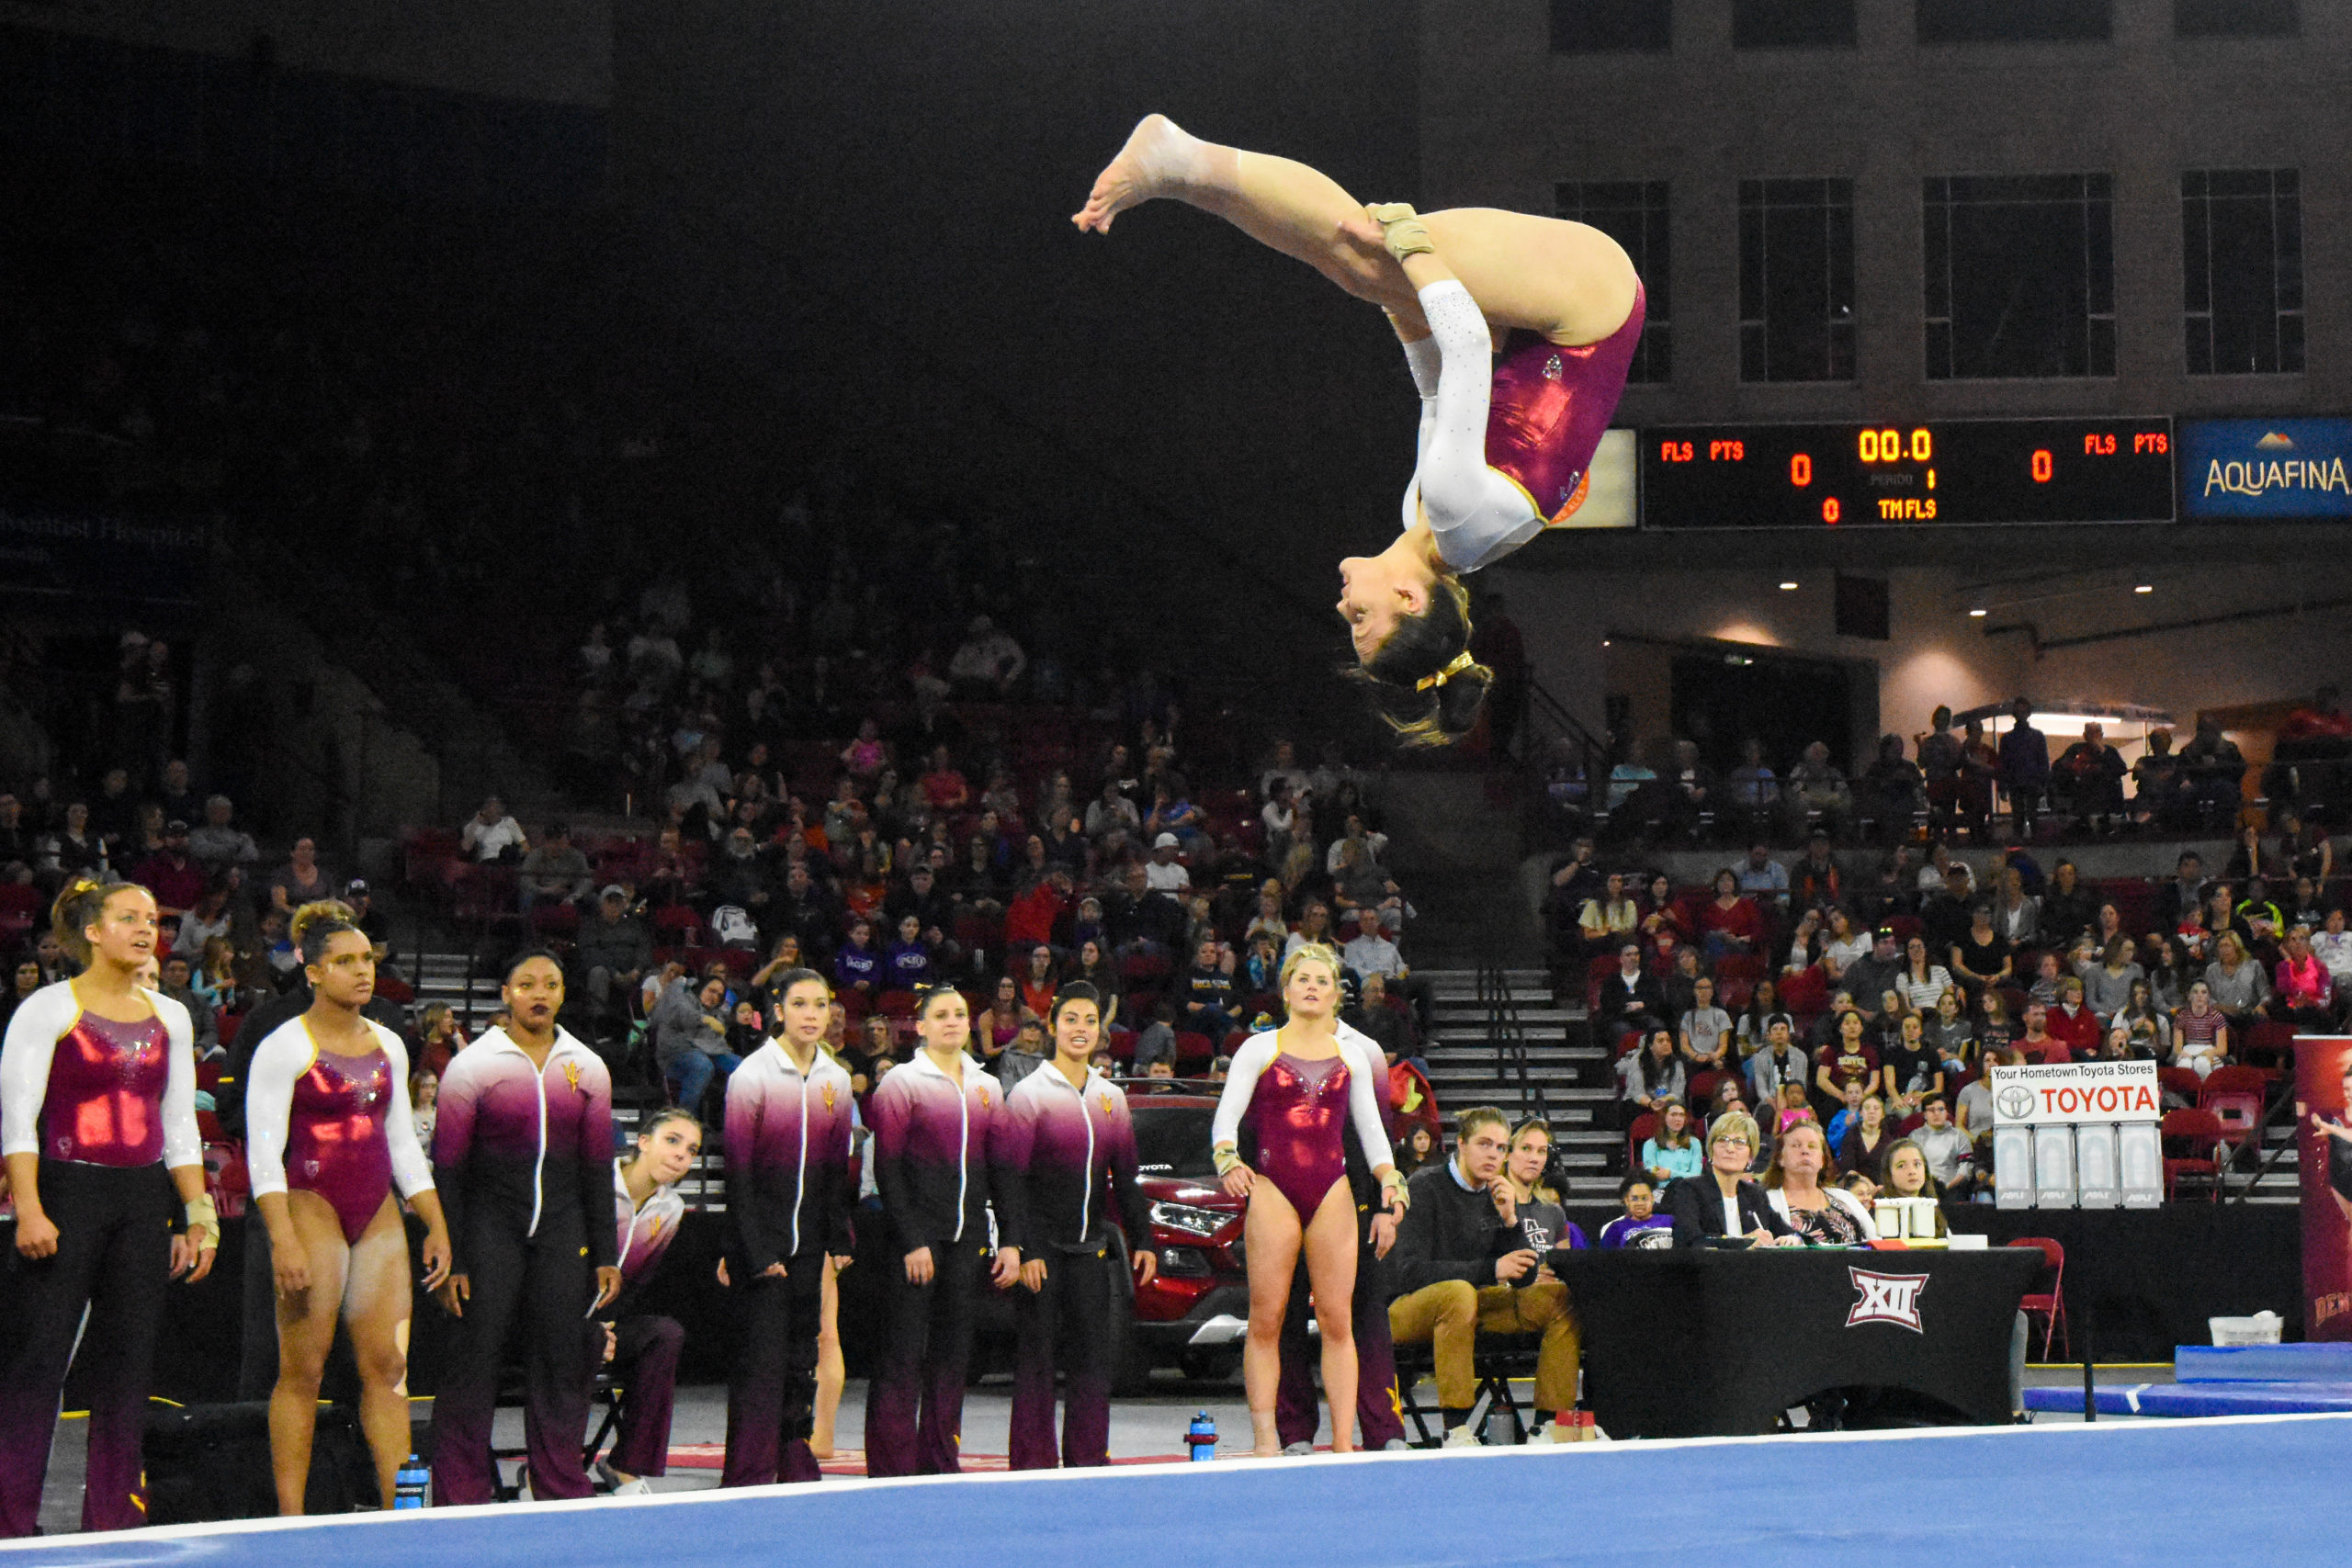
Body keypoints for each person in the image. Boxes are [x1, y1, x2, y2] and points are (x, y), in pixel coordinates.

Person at [1076, 116, 1643, 746]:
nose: (1344, 606)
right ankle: (1177, 158)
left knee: (1361, 271)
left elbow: (1436, 393)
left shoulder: (1427, 526)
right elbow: (1467, 345)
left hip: (1550, 334)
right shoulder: (1455, 513)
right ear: (1408, 596)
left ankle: (1178, 174)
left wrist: (1400, 307)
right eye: (1361, 618)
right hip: (1592, 302)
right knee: (1364, 261)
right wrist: (1409, 249)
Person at [0, 879, 217, 1536]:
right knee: (39, 1363)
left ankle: (114, 1519)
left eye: (152, 919)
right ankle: (11, 1523)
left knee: (128, 1364)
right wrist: (31, 1210)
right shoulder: (46, 1008)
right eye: (129, 918)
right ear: (92, 930)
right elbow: (18, 1119)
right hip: (66, 1190)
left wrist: (197, 1214)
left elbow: (178, 1122)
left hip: (140, 1196)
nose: (146, 929)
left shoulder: (171, 1015)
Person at [244, 901, 448, 1515]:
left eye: (367, 959)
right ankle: (291, 1516)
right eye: (346, 961)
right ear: (313, 970)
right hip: (310, 1203)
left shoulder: (389, 1043)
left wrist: (435, 1221)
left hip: (376, 1206)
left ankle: (400, 1516)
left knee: (387, 1366)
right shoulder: (285, 1045)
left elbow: (402, 1140)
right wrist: (281, 1237)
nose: (363, 971)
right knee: (303, 1369)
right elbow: (262, 1149)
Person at [430, 952, 619, 1506]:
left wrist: (605, 1253)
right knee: (474, 1359)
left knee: (562, 1358)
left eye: (552, 984)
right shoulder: (473, 1067)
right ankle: (460, 1491)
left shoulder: (587, 1068)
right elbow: (449, 1169)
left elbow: (596, 1167)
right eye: (528, 984)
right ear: (506, 994)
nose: (540, 993)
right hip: (490, 1228)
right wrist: (455, 1258)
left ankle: (558, 1483)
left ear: (563, 994)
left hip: (563, 1230)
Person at [1210, 944, 1404, 1456]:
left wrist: (1391, 1178)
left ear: (1337, 992)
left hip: (1333, 1193)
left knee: (1339, 1322)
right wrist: (1228, 1160)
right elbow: (1225, 1120)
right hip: (1274, 1190)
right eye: (1303, 979)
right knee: (1267, 1318)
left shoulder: (1353, 1056)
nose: (1313, 986)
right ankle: (1266, 1438)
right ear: (1287, 989)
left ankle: (1343, 1444)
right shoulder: (1259, 1048)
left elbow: (1371, 1131)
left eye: (1323, 979)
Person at [992, 983, 1159, 1469]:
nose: (1081, 1029)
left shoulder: (1111, 1098)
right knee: (1037, 1360)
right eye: (1071, 1020)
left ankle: (1089, 1460)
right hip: (1042, 1250)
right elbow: (1011, 1180)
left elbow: (1125, 1178)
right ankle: (1031, 1463)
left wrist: (1142, 1238)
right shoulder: (1029, 1095)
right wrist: (1022, 1248)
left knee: (1092, 1361)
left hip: (1091, 1250)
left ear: (1101, 1030)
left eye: (1089, 1020)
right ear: (1052, 1027)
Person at [721, 971, 856, 1487]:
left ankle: (792, 1461)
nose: (810, 1014)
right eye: (799, 1004)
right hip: (762, 1246)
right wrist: (756, 1251)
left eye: (820, 1004)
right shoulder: (752, 1075)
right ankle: (748, 1474)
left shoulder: (836, 1080)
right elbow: (738, 1172)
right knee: (761, 1365)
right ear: (778, 1010)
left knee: (803, 1356)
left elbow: (833, 1170)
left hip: (809, 1247)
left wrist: (837, 1237)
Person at [866, 984, 1002, 1476]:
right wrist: (913, 1240)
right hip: (915, 1242)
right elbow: (889, 1168)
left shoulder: (987, 1085)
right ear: (920, 1026)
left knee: (952, 1355)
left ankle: (940, 1460)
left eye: (961, 1014)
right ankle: (890, 1465)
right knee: (902, 1353)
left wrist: (1008, 1239)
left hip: (966, 1241)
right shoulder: (902, 1083)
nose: (952, 1022)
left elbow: (997, 1168)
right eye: (941, 1015)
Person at [1385, 1107, 1578, 1445]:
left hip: (1473, 1302)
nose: (1493, 1154)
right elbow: (1408, 1272)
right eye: (1484, 1144)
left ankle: (1549, 1423)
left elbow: (1523, 1277)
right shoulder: (1425, 1185)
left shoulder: (1498, 1192)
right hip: (1407, 1308)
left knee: (1559, 1298)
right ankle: (1456, 1428)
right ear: (1461, 1144)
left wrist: (1509, 1220)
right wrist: (1490, 1270)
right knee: (1460, 1293)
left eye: (1501, 1147)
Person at [1666, 1112, 1798, 1246]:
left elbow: (1790, 1233)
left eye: (1739, 1142)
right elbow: (1691, 1242)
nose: (1730, 1149)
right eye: (1722, 1140)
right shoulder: (1689, 1189)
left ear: (1750, 1156)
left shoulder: (1755, 1195)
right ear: (1711, 1150)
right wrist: (1744, 1243)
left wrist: (1790, 1239)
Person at [1761, 1121, 1876, 1245]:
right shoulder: (1766, 1203)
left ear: (1822, 1160)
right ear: (1780, 1158)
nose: (1805, 1151)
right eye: (1796, 1145)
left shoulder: (1845, 1197)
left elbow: (1875, 1241)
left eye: (1812, 1146)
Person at [1911, 1098, 1974, 1199]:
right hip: (1922, 1189)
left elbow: (1966, 1167)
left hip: (1953, 1190)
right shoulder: (1915, 1136)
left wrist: (1948, 1186)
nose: (1936, 1114)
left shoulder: (1959, 1136)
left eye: (1940, 1109)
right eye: (1931, 1110)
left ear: (1947, 1113)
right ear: (1924, 1115)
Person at [1598, 1174, 1675, 1248]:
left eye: (1644, 1198)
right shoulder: (1616, 1228)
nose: (1640, 1203)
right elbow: (1605, 1259)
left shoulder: (1671, 1221)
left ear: (1652, 1199)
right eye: (1634, 1198)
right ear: (1627, 1201)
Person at [1640, 1098, 1702, 1185]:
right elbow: (1651, 1169)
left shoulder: (1694, 1143)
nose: (1678, 1119)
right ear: (1664, 1117)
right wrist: (1659, 1172)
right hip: (1660, 1191)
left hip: (1687, 1190)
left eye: (1681, 1115)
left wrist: (1670, 1174)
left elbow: (1696, 1175)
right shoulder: (1651, 1144)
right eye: (1673, 1114)